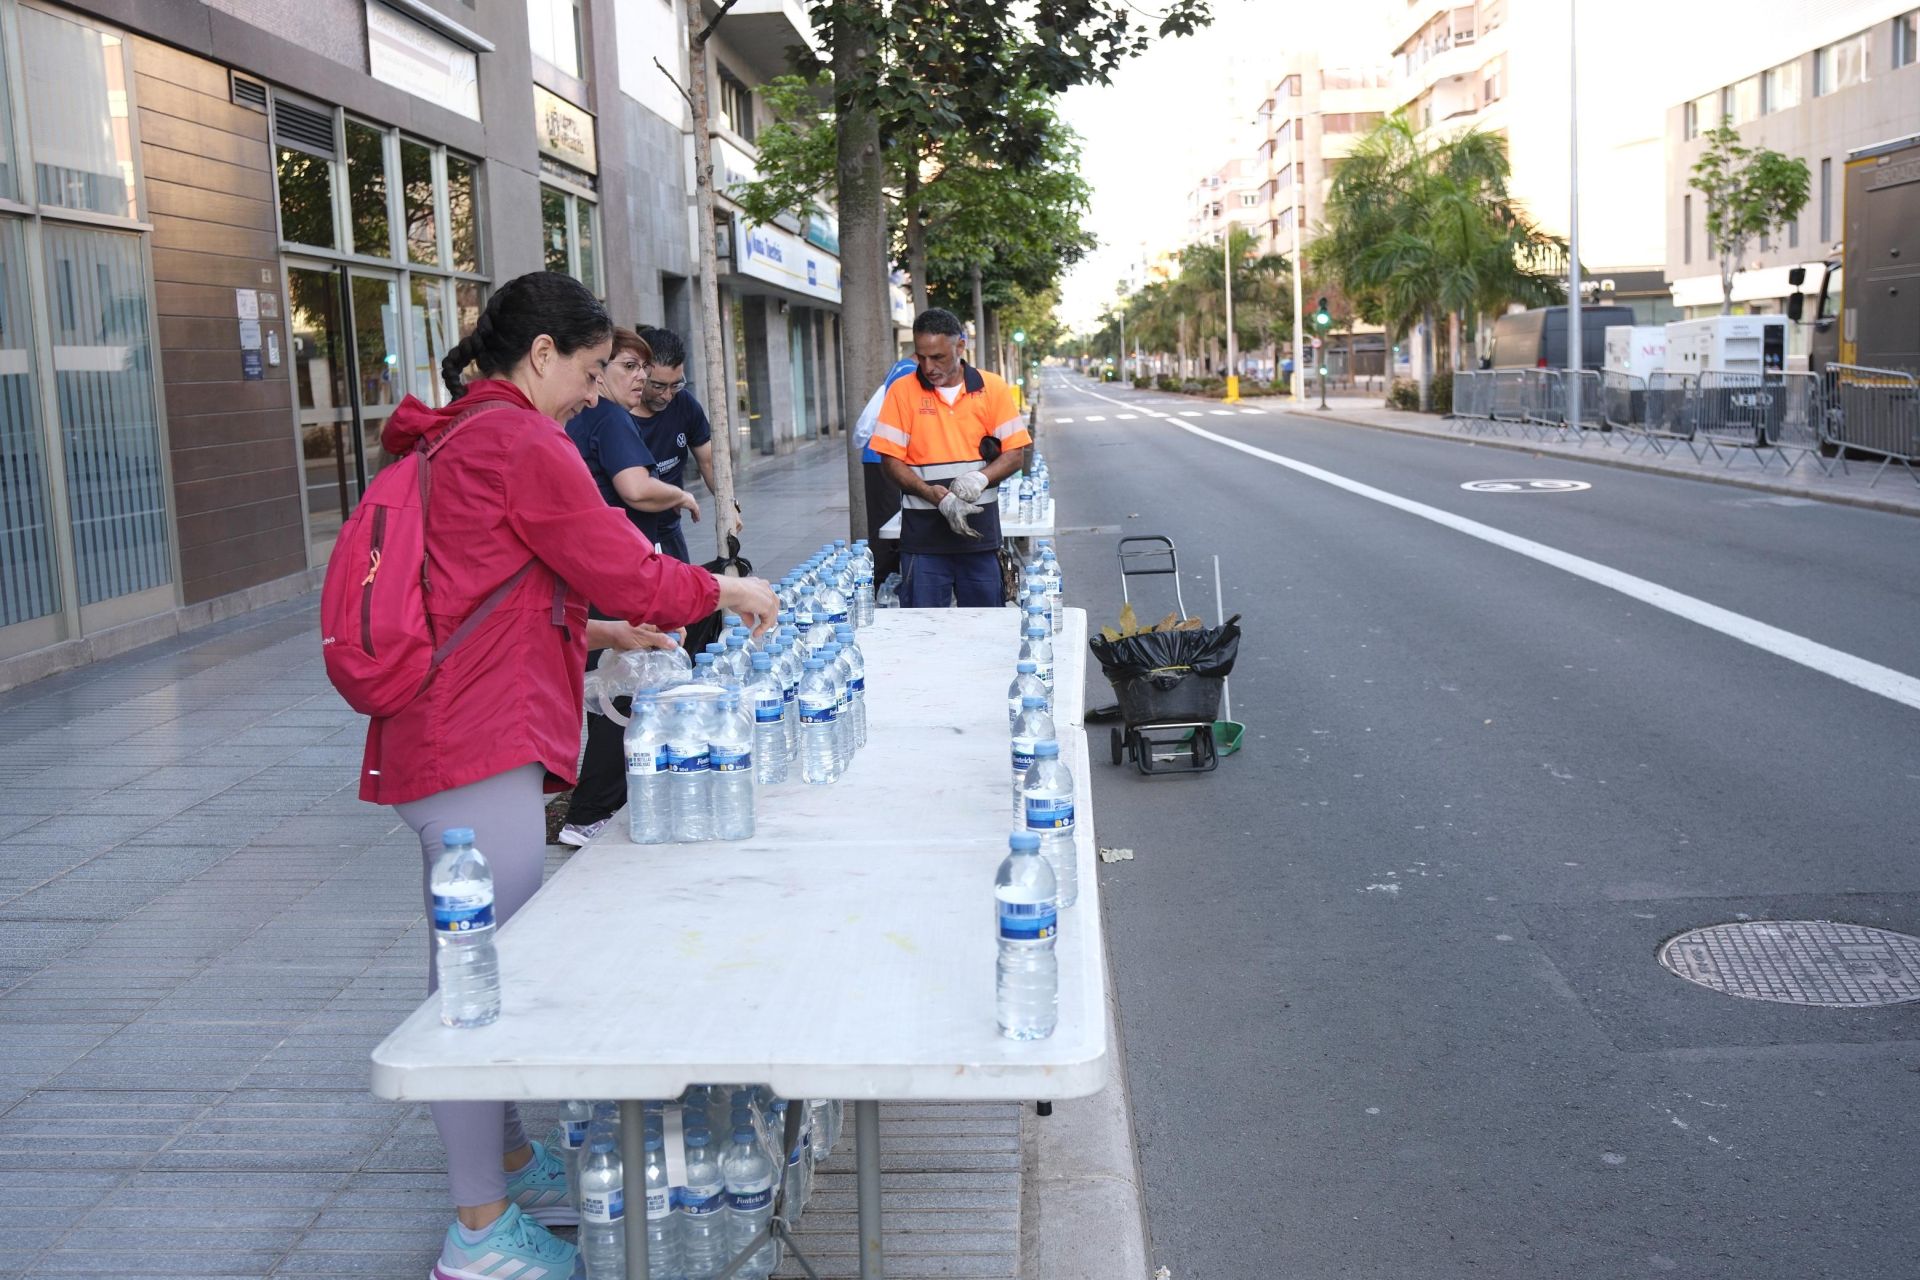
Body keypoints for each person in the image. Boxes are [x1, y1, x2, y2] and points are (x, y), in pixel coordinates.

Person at [362, 271, 778, 1280]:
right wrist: (721, 587)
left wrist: (591, 629)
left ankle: (502, 1157)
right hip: (470, 735)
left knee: (478, 965)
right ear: (540, 353)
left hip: (452, 723)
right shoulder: (519, 440)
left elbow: (481, 580)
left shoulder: (463, 431)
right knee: (473, 986)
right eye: (591, 371)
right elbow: (623, 558)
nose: (597, 393)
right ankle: (477, 1231)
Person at [556, 327, 702, 847]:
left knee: (612, 689)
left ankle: (595, 804)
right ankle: (592, 811)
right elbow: (635, 489)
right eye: (625, 367)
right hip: (612, 574)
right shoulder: (612, 417)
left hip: (588, 570)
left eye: (643, 368)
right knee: (624, 695)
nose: (638, 378)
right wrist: (681, 498)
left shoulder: (582, 418)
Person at [868, 308, 1032, 607]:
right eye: (921, 357)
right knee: (924, 632)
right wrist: (934, 496)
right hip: (923, 541)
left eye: (938, 357)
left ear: (960, 347)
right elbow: (889, 462)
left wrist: (980, 477)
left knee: (986, 628)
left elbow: (1015, 454)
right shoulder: (902, 392)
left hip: (980, 539)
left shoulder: (991, 388)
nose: (928, 367)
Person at [631, 324, 740, 562]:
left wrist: (731, 505)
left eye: (676, 385)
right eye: (658, 386)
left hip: (670, 530)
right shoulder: (617, 417)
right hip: (629, 535)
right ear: (639, 372)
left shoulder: (685, 404)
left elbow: (709, 461)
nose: (667, 395)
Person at [861, 354, 919, 586]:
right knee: (887, 527)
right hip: (884, 457)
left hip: (884, 454)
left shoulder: (902, 366)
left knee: (889, 523)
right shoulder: (908, 372)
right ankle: (882, 587)